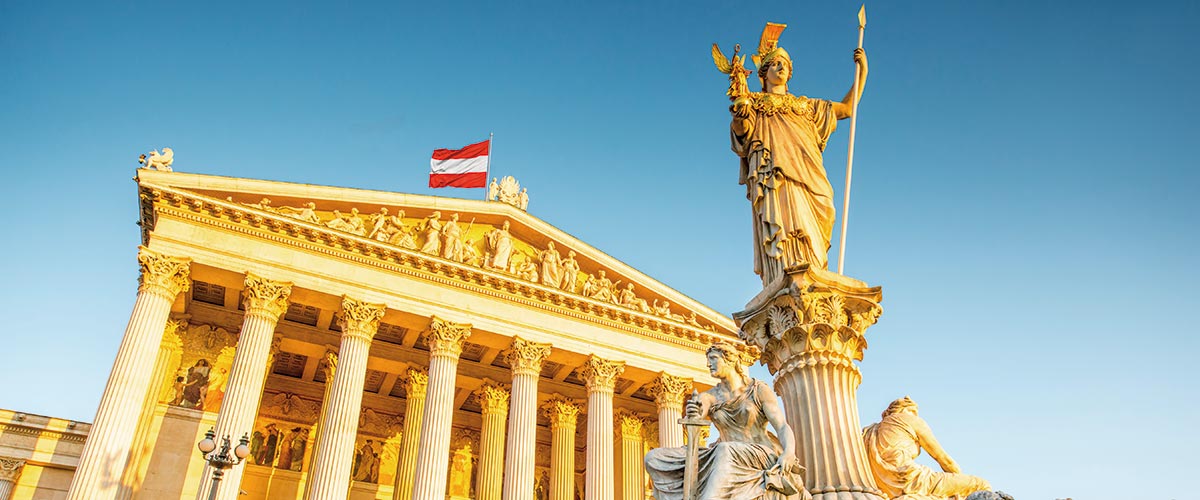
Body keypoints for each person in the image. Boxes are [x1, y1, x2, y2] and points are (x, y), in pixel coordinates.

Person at [729, 24, 868, 281]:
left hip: (809, 172)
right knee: (783, 225)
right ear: (763, 73)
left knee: (823, 211)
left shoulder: (807, 106)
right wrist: (739, 115)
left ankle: (814, 270)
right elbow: (742, 136)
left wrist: (863, 72)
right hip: (775, 174)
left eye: (785, 65)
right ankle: (785, 275)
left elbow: (848, 109)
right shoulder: (756, 105)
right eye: (775, 64)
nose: (781, 68)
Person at [645, 342, 809, 500]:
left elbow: (781, 426)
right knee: (654, 457)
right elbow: (696, 421)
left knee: (725, 450)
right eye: (708, 360)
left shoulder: (758, 390)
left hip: (758, 452)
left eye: (714, 359)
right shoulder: (709, 396)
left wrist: (789, 452)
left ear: (730, 360)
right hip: (722, 452)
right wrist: (693, 414)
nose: (709, 364)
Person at [862, 397, 993, 499]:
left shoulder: (869, 432)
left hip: (884, 488)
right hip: (912, 480)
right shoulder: (910, 419)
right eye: (914, 412)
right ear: (909, 410)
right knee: (980, 484)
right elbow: (943, 459)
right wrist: (959, 482)